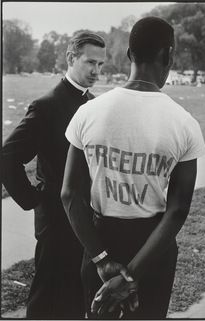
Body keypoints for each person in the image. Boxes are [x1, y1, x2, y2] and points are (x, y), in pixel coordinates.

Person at [61, 17, 205, 319]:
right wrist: (131, 277)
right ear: (168, 55)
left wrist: (101, 261)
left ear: (129, 55)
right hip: (154, 248)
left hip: (99, 239)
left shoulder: (87, 112)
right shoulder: (183, 123)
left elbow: (70, 194)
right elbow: (178, 209)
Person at [2, 31, 106, 319]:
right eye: (90, 63)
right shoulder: (46, 105)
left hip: (86, 219)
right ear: (71, 58)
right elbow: (8, 155)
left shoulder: (94, 104)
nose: (96, 71)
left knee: (76, 297)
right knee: (47, 300)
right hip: (57, 223)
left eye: (101, 65)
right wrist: (33, 198)